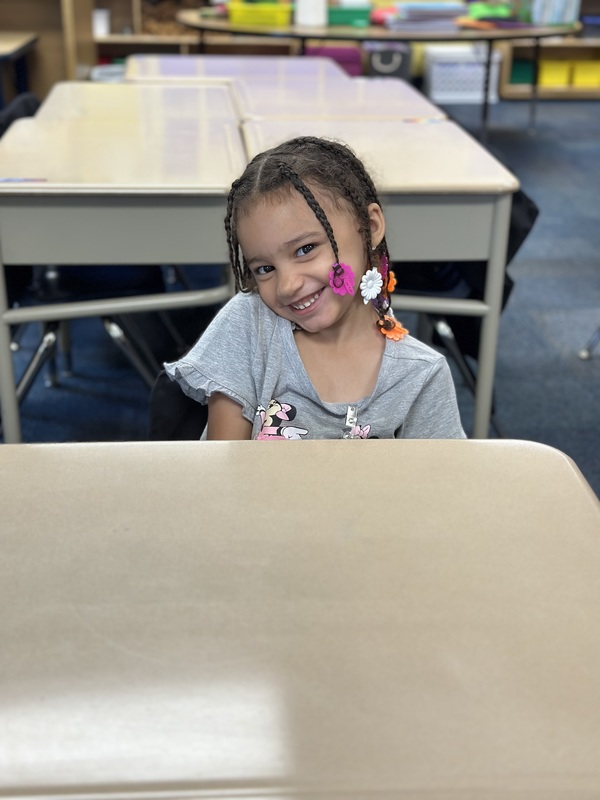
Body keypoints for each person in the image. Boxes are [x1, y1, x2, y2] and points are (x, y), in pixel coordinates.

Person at [165, 136, 465, 440]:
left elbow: (436, 483)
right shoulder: (249, 325)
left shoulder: (420, 376)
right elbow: (224, 470)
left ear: (370, 227)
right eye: (265, 269)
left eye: (305, 249)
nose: (288, 285)